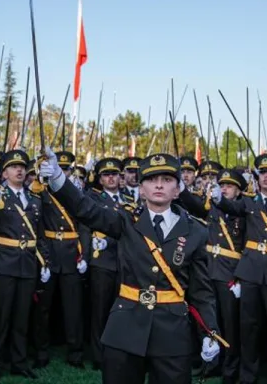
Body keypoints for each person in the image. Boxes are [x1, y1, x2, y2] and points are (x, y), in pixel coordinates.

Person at [41, 150, 223, 384]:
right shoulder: (125, 220)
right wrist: (57, 177)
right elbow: (85, 208)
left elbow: (201, 291)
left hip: (172, 331)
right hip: (125, 327)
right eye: (151, 180)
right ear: (141, 189)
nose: (159, 185)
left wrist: (211, 331)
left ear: (177, 190)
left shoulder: (196, 231)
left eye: (167, 180)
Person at [208, 153, 267, 383]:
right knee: (248, 329)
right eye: (262, 172)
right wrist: (218, 199)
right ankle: (247, 377)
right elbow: (231, 206)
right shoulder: (250, 201)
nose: (266, 177)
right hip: (250, 273)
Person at [0, 149, 50, 382]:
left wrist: (45, 261)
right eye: (13, 167)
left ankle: (18, 362)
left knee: (22, 318)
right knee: (1, 318)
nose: (19, 170)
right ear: (4, 173)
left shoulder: (34, 198)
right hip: (2, 262)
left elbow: (39, 234)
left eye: (22, 166)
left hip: (27, 263)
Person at [178, 168, 246, 382]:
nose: (224, 189)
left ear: (238, 191)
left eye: (229, 186)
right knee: (209, 321)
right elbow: (195, 207)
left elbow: (248, 245)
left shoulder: (243, 211)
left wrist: (241, 276)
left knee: (230, 324)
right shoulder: (212, 207)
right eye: (222, 185)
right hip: (209, 269)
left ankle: (230, 367)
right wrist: (181, 189)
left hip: (230, 273)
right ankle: (211, 363)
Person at [31, 151, 89, 370]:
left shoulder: (74, 193)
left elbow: (84, 224)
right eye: (59, 168)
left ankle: (75, 353)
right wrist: (43, 258)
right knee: (43, 308)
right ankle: (41, 351)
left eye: (66, 169)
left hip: (72, 253)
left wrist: (84, 255)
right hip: (50, 252)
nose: (62, 172)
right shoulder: (41, 191)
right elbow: (36, 224)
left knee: (73, 308)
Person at [86, 157, 126, 369]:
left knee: (121, 311)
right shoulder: (93, 198)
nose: (111, 178)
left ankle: (117, 352)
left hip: (124, 261)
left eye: (115, 174)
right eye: (106, 174)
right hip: (102, 260)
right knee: (100, 311)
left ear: (121, 177)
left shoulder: (128, 197)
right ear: (100, 179)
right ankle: (98, 355)